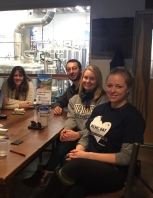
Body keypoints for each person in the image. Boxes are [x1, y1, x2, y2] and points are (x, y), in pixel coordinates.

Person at [42, 67, 146, 197]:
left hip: (114, 171)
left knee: (75, 165)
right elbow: (86, 136)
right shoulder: (100, 109)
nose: (113, 90)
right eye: (109, 86)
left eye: (119, 86)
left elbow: (125, 157)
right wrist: (79, 151)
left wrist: (85, 155)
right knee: (73, 190)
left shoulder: (133, 117)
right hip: (91, 166)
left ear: (128, 88)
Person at [22, 65, 108, 188]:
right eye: (86, 78)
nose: (88, 81)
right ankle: (51, 179)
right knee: (63, 142)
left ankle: (48, 178)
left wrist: (77, 134)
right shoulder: (75, 99)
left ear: (98, 81)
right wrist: (67, 130)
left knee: (65, 158)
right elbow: (71, 118)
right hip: (76, 136)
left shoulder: (103, 101)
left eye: (92, 79)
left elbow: (97, 130)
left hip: (93, 139)